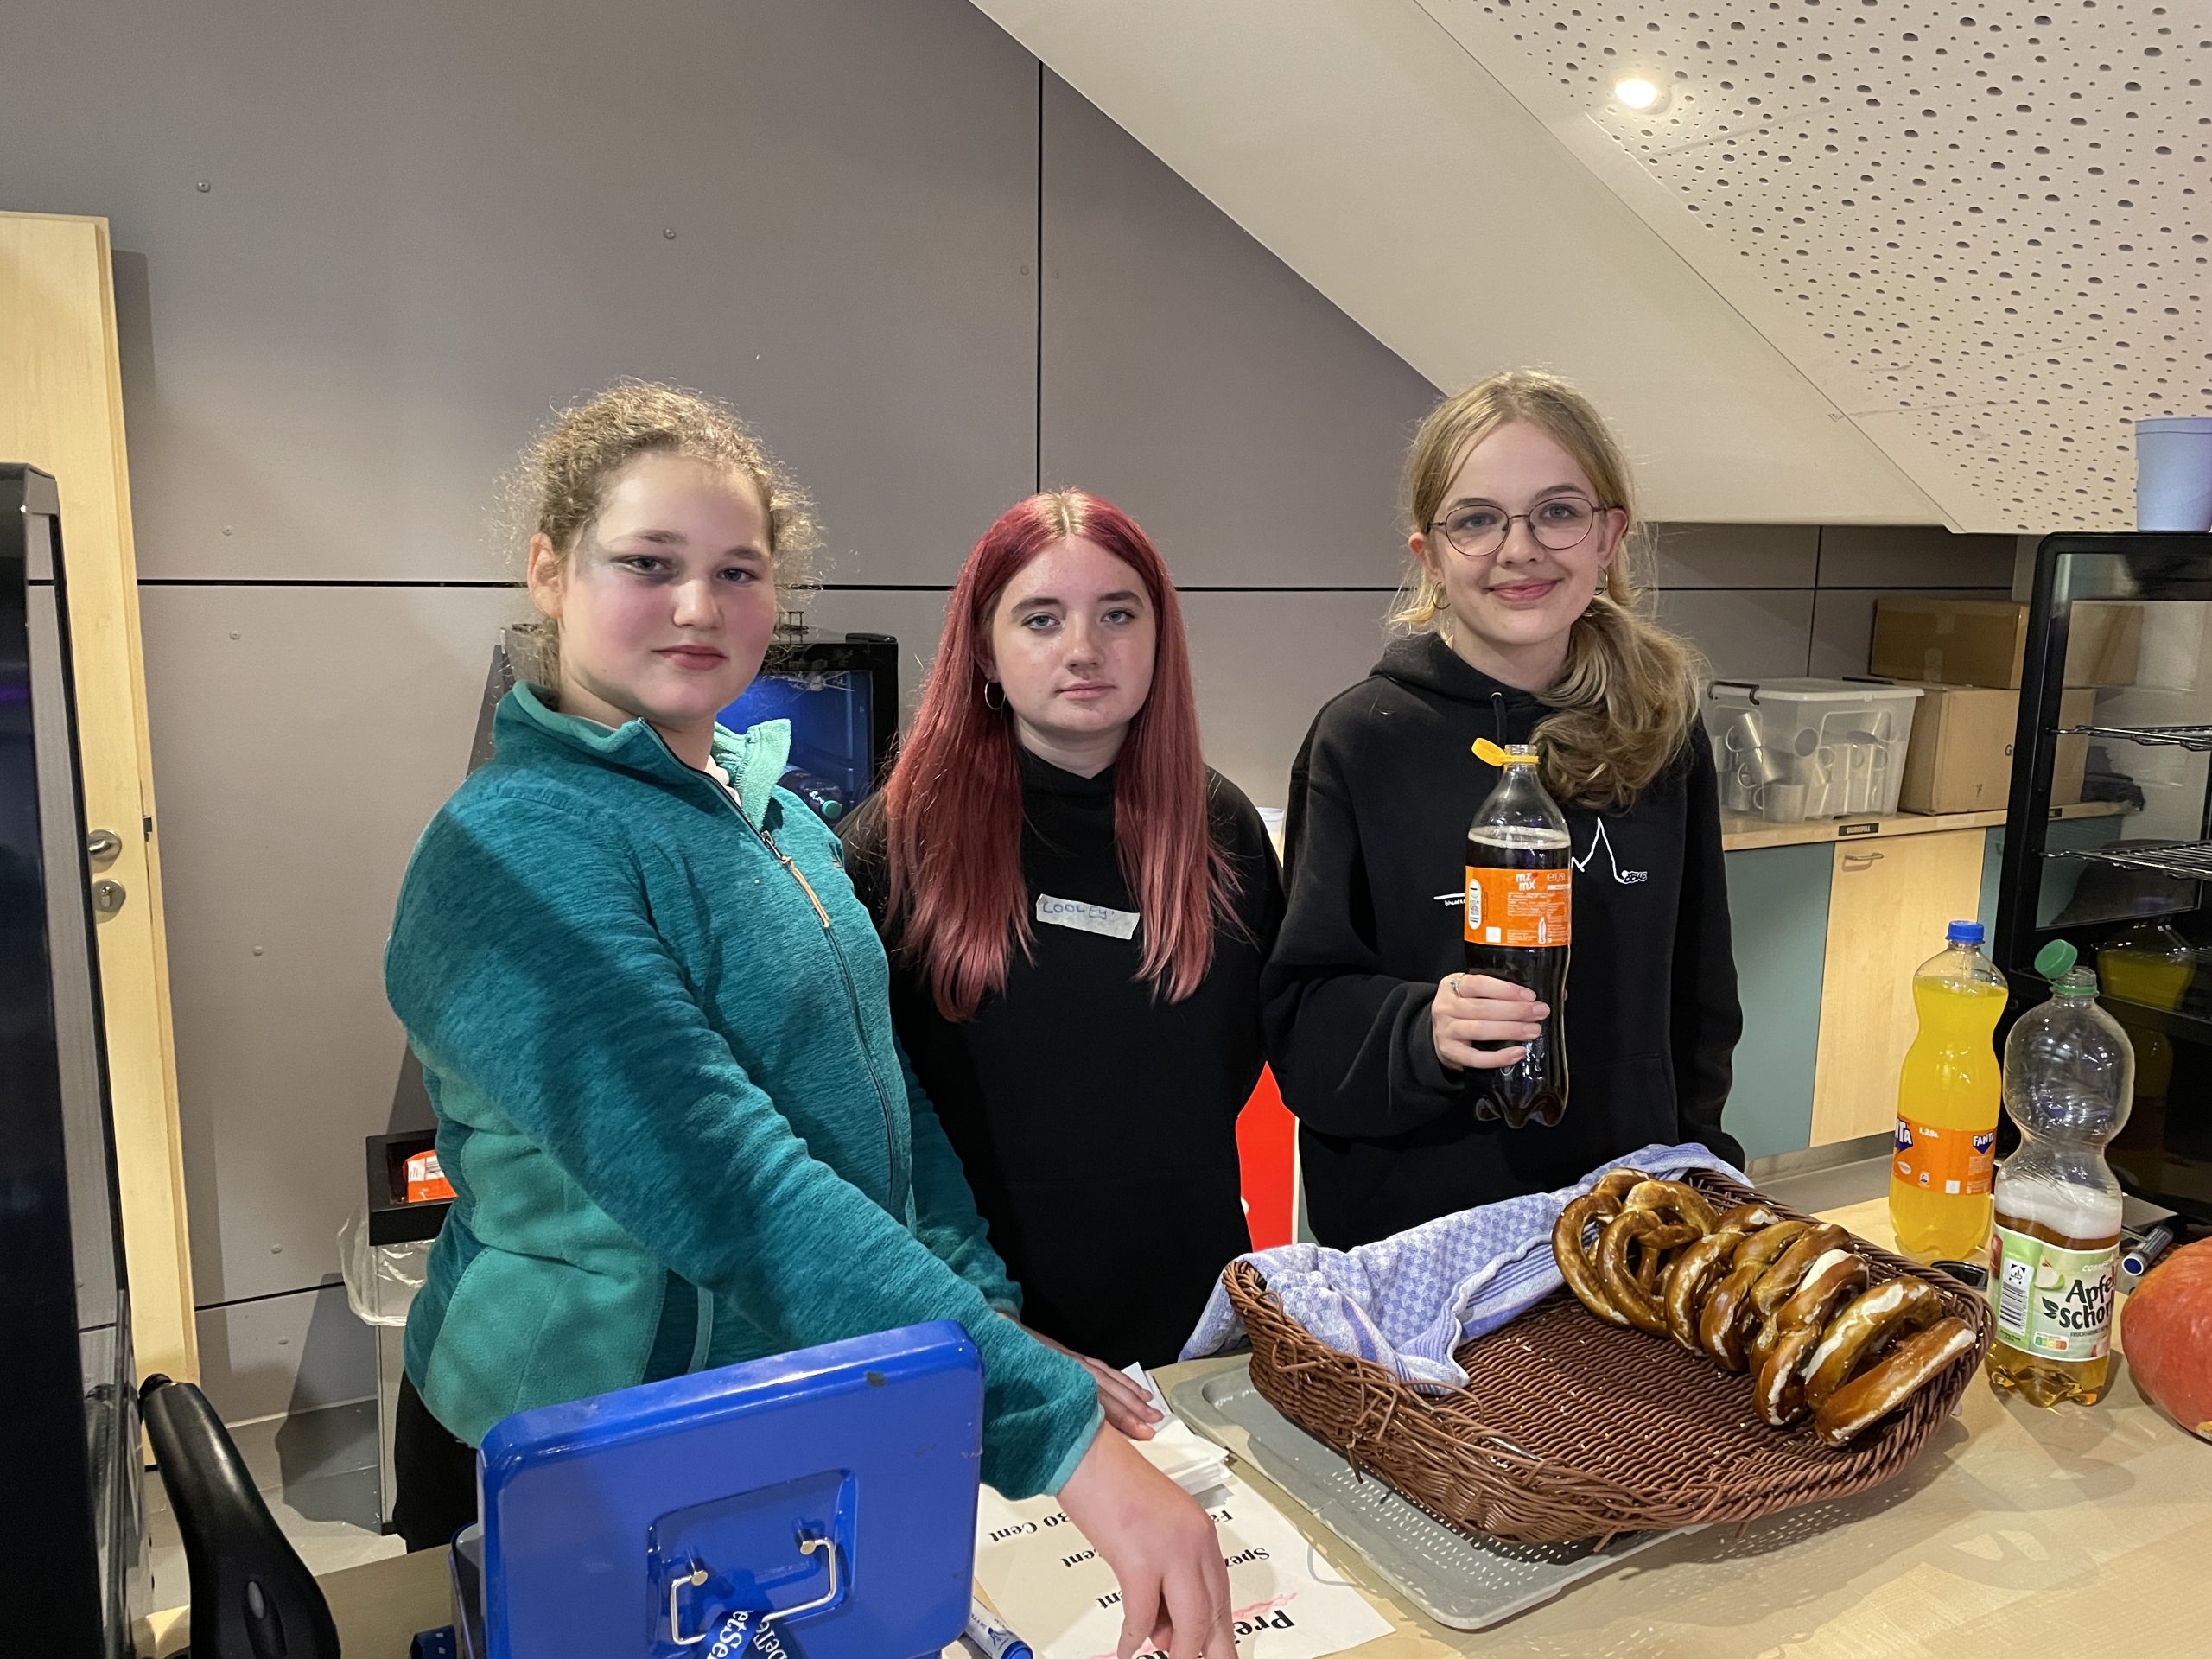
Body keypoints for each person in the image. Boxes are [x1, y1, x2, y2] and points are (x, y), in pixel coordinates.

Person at [385, 386, 1233, 1656]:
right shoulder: (509, 852)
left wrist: (988, 1321)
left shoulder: (773, 818)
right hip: (581, 1451)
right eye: (648, 564)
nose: (697, 606)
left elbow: (889, 1114)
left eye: (737, 571)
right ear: (549, 572)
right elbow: (733, 1187)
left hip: (787, 1410)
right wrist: (1052, 1428)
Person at [1264, 369, 1745, 1249]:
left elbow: (1700, 1000)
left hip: (1622, 1216)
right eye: (1478, 520)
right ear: (1430, 556)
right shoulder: (1360, 740)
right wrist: (1424, 1027)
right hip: (1417, 1231)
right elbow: (1303, 1021)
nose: (1519, 550)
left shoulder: (1659, 730)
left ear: (1609, 536)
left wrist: (1708, 1178)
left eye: (1557, 512)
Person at [840, 491, 1283, 1379]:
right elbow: (867, 1131)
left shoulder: (1219, 828)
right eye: (1041, 619)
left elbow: (1236, 1061)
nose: (1084, 649)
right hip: (982, 1336)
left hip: (1193, 1331)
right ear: (984, 649)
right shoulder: (897, 845)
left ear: (1160, 636)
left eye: (1117, 614)